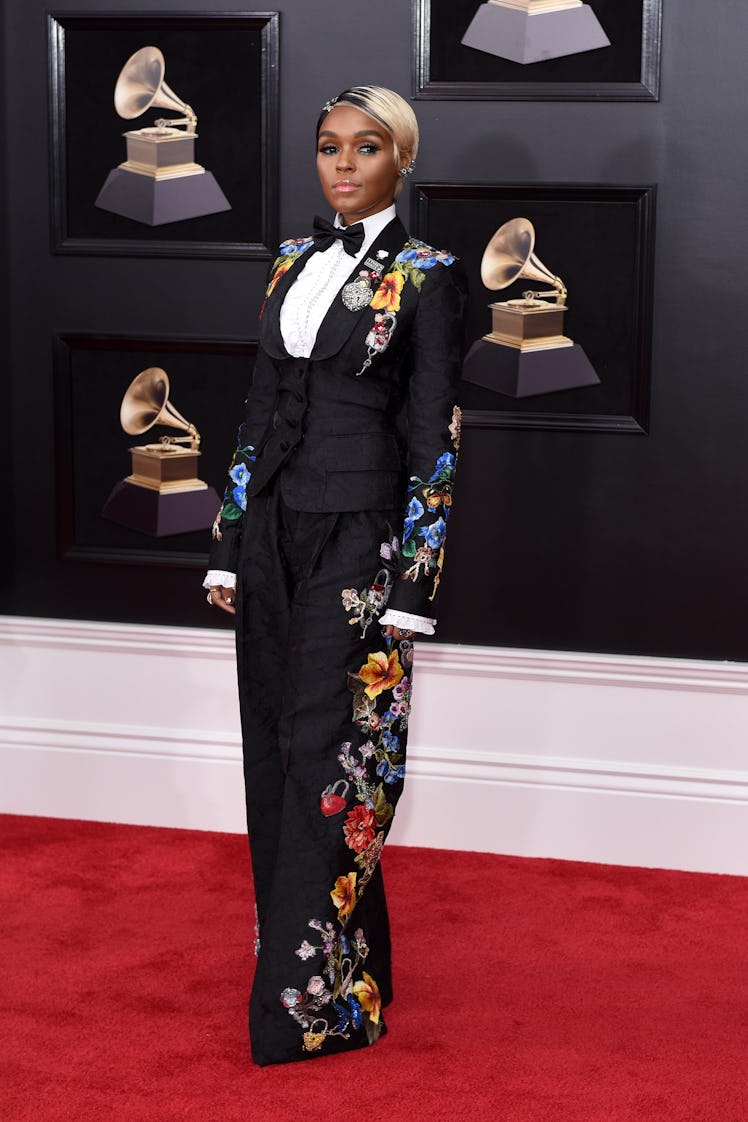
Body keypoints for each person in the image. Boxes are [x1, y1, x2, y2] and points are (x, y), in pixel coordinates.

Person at [204, 85, 466, 1066]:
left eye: (365, 148)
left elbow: (434, 432)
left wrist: (415, 585)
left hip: (360, 538)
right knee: (278, 745)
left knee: (332, 753)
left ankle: (313, 1009)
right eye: (328, 147)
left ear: (401, 161)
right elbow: (258, 406)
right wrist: (230, 540)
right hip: (272, 528)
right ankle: (359, 962)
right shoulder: (289, 265)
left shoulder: (429, 277)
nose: (343, 164)